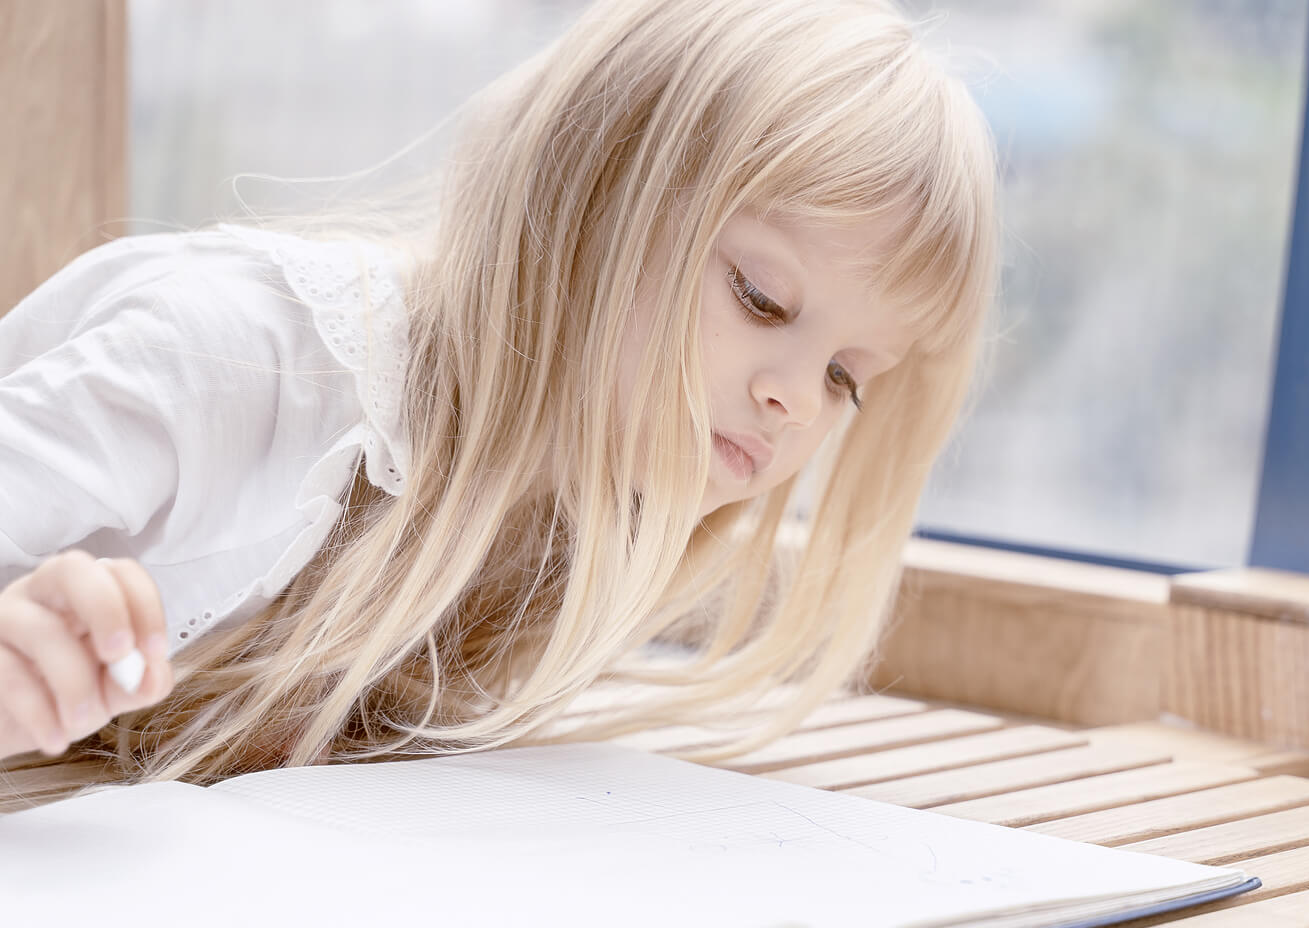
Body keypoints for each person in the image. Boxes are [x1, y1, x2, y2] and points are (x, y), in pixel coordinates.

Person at [0, 0, 999, 789]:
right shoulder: (228, 355)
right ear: (592, 201)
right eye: (761, 297)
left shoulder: (553, 531)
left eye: (845, 378)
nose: (798, 403)